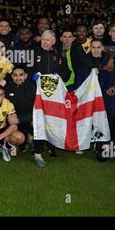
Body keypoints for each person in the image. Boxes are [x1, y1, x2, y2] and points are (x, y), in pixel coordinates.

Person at [31, 30, 71, 167]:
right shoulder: (34, 52)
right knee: (39, 120)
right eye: (42, 39)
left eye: (47, 40)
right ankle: (37, 151)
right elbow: (25, 69)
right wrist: (33, 75)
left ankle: (52, 145)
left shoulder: (59, 54)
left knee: (52, 120)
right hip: (37, 94)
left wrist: (58, 75)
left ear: (53, 42)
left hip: (54, 96)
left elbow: (67, 72)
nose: (44, 42)